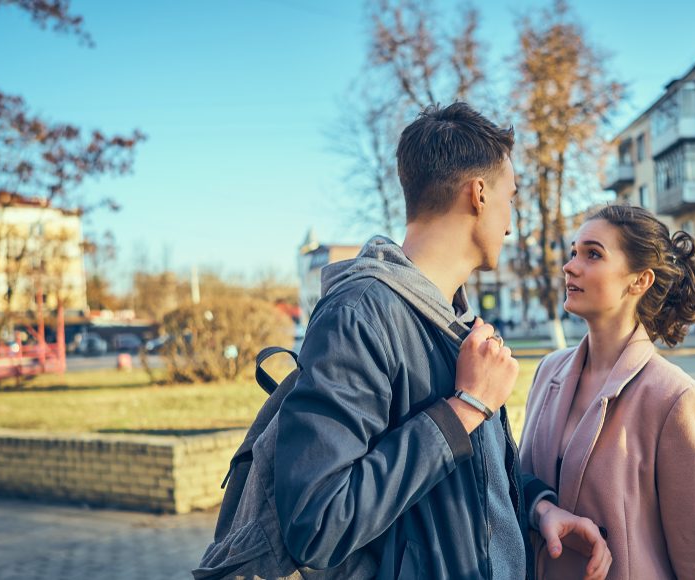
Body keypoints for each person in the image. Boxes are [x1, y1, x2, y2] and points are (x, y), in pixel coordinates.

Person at [196, 102, 610, 580]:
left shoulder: (454, 320)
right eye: (510, 198)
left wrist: (538, 507)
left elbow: (467, 478)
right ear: (478, 194)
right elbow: (318, 522)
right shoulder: (360, 316)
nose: (512, 223)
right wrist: (466, 407)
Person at [520, 204, 695, 579]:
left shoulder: (676, 400)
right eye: (573, 252)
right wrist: (542, 509)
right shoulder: (548, 371)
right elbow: (516, 484)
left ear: (639, 281)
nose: (571, 265)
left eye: (593, 254)